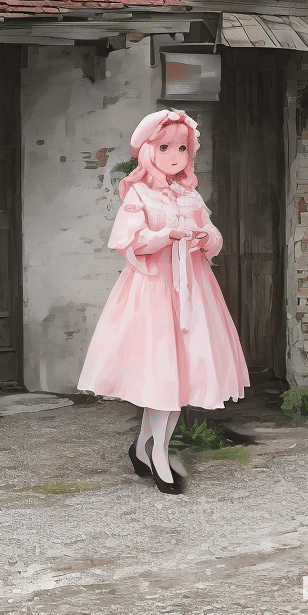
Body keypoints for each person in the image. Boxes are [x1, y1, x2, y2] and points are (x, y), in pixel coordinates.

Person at [77, 109, 249, 494]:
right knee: (161, 374)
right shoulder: (137, 192)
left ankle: (145, 448)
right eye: (166, 146)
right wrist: (165, 236)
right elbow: (129, 241)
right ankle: (157, 455)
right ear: (148, 149)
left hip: (192, 289)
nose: (175, 156)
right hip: (153, 289)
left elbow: (212, 232)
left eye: (183, 148)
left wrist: (206, 239)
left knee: (179, 375)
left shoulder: (189, 193)